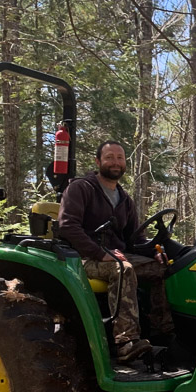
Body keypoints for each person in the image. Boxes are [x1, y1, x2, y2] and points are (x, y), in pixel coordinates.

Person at [58, 140, 174, 362]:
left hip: (115, 255)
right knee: (123, 269)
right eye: (110, 157)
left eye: (120, 158)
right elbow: (68, 226)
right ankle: (125, 342)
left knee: (162, 269)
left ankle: (162, 334)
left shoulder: (124, 199)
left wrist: (154, 252)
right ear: (98, 161)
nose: (115, 162)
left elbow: (134, 239)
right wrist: (100, 253)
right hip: (82, 257)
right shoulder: (81, 188)